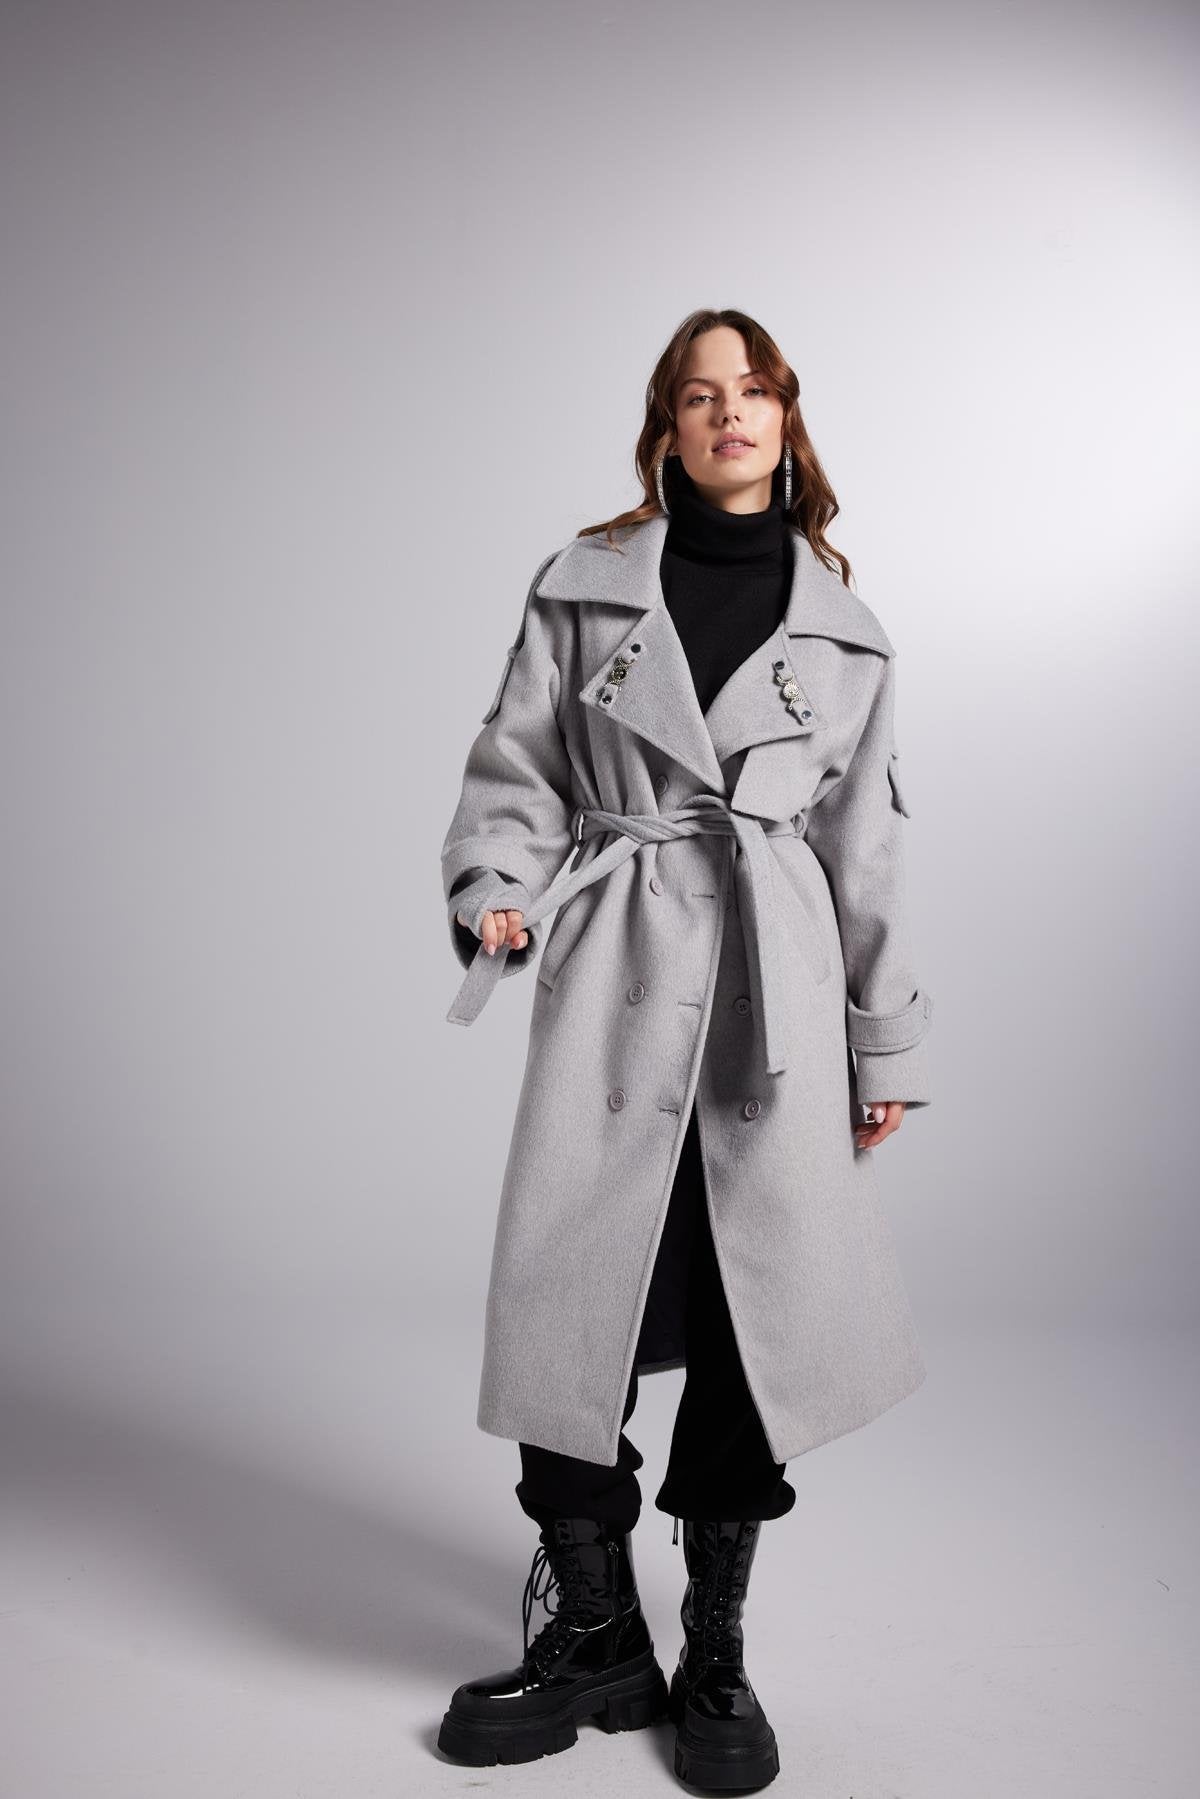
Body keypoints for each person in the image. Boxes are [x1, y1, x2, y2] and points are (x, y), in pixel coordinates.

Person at [436, 309, 934, 1790]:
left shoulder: (846, 630)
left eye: (756, 389)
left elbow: (868, 846)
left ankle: (713, 1648)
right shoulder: (585, 589)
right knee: (567, 1297)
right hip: (619, 971)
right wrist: (500, 887)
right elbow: (517, 764)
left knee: (749, 1316)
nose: (732, 413)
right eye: (703, 394)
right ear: (669, 425)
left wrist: (882, 1045)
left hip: (774, 993)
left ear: (787, 417)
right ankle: (596, 1633)